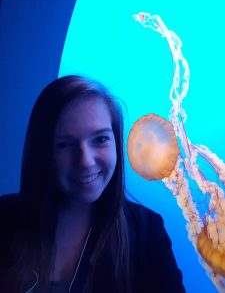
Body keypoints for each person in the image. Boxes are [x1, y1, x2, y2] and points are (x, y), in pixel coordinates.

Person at [0, 75, 186, 293]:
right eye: (64, 145)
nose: (86, 161)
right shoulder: (6, 218)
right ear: (43, 151)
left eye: (100, 139)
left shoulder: (147, 233)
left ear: (116, 141)